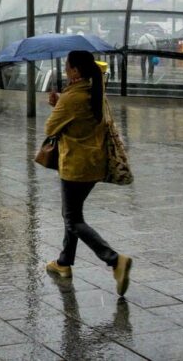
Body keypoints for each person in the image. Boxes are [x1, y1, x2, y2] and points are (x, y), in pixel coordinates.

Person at [44, 50, 132, 296]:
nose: (64, 70)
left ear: (75, 71)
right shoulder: (94, 92)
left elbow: (50, 127)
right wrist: (60, 102)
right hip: (94, 163)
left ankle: (115, 260)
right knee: (71, 214)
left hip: (75, 165)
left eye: (67, 66)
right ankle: (64, 262)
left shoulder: (73, 98)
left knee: (73, 219)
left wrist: (58, 105)